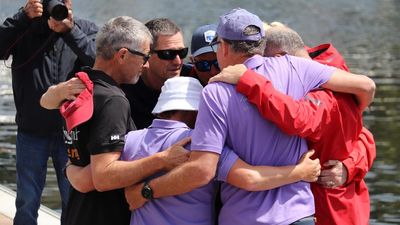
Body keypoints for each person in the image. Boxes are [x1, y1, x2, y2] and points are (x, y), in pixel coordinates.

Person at [122, 8, 375, 225]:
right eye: (203, 64)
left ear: (222, 47)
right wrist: (357, 111)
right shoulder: (296, 67)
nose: (212, 68)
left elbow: (202, 171)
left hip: (245, 217)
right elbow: (366, 86)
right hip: (299, 214)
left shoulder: (215, 92)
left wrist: (146, 191)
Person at [209, 24, 376, 225]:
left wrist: (250, 80)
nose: (265, 70)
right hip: (349, 204)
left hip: (330, 208)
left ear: (280, 58)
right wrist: (351, 166)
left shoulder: (322, 94)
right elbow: (362, 135)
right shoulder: (339, 78)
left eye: (265, 63)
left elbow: (299, 119)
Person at [40, 16, 189, 225]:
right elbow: (103, 176)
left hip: (79, 210)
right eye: (144, 57)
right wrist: (163, 159)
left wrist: (71, 168)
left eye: (182, 53)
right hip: (105, 214)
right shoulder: (114, 99)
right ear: (122, 55)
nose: (144, 65)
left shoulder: (85, 86)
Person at [123, 76, 321, 225]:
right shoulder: (200, 144)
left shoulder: (131, 140)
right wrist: (300, 172)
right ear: (196, 110)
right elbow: (250, 178)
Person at [0, 0, 97, 224]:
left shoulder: (83, 29)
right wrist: (23, 17)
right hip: (31, 131)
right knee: (27, 201)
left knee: (73, 200)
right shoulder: (24, 28)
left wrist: (70, 31)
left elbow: (100, 62)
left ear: (69, 3)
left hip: (72, 134)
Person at [121, 18, 190, 129]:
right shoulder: (124, 88)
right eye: (167, 54)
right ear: (146, 55)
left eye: (182, 52)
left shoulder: (193, 78)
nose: (178, 61)